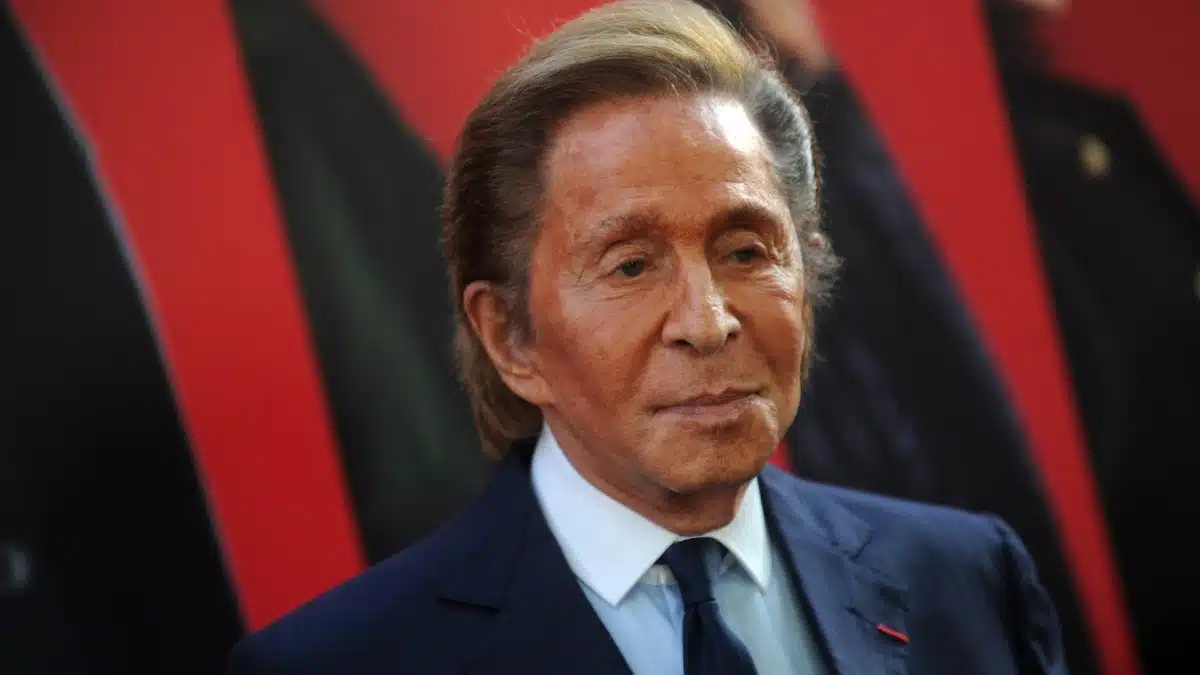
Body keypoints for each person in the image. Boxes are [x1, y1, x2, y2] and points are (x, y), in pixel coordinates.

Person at [227, 2, 1068, 673]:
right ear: (509, 336)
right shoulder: (343, 660)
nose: (708, 320)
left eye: (746, 252)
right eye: (630, 266)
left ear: (809, 274)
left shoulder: (968, 582)